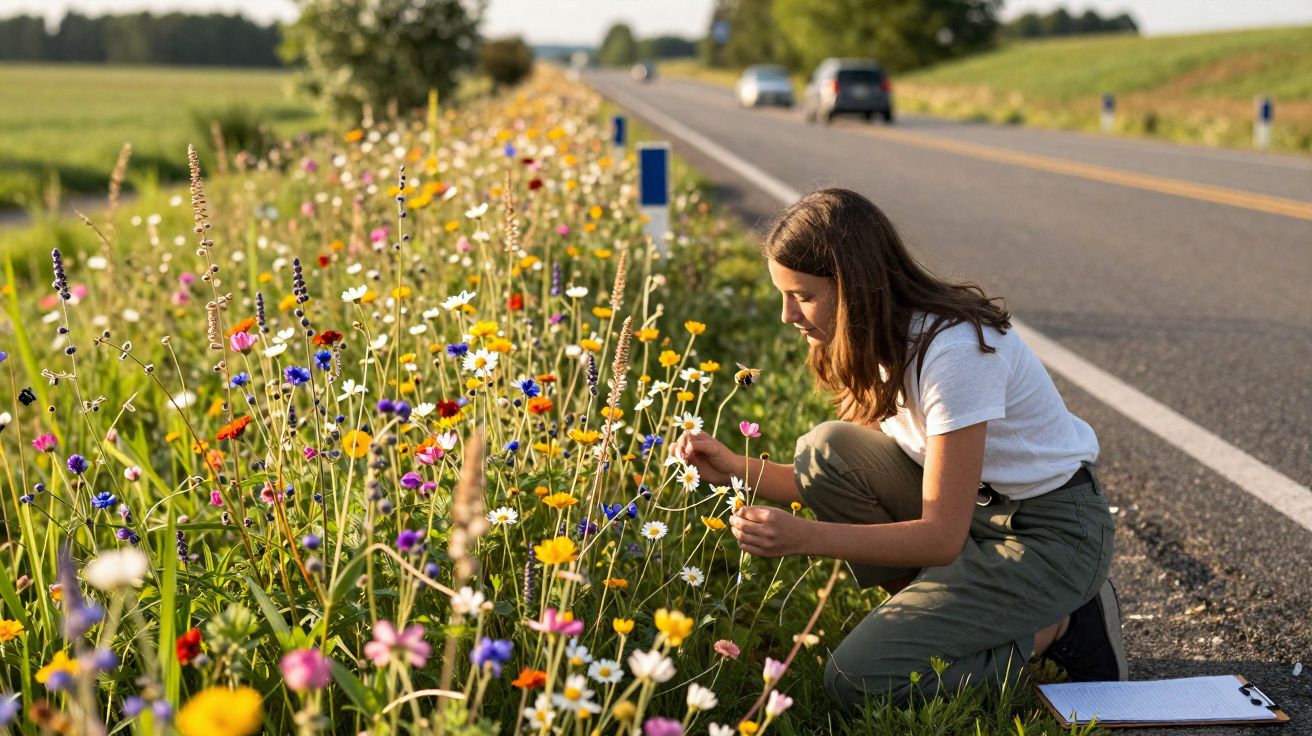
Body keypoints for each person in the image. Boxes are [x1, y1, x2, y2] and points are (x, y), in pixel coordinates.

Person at [670, 188, 1125, 713]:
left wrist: (804, 538)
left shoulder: (954, 353)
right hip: (977, 515)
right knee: (827, 450)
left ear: (856, 286)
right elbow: (831, 477)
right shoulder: (876, 339)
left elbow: (940, 538)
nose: (786, 314)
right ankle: (958, 624)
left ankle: (1059, 626)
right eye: (783, 294)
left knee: (856, 681)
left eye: (804, 295)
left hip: (1049, 533)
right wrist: (733, 470)